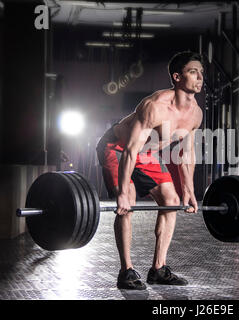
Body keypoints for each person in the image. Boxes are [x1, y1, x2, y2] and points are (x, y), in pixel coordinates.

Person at [96, 51, 204, 290]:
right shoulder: (155, 106)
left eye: (201, 72)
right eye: (193, 71)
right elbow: (130, 150)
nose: (199, 77)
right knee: (129, 203)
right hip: (117, 147)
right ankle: (126, 271)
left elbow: (187, 153)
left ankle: (158, 268)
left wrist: (189, 190)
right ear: (177, 77)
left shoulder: (195, 114)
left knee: (172, 199)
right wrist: (122, 192)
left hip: (145, 155)